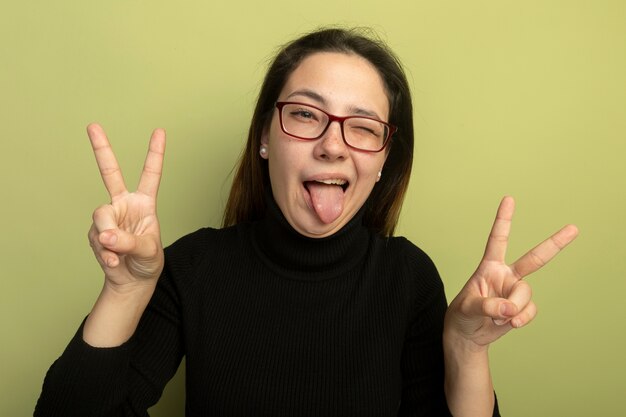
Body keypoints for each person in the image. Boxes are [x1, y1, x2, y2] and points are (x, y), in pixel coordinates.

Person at [35, 27, 578, 417]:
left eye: (363, 127)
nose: (332, 145)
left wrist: (466, 350)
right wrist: (126, 290)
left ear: (385, 156)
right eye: (305, 114)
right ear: (266, 137)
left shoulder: (407, 278)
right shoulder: (195, 266)